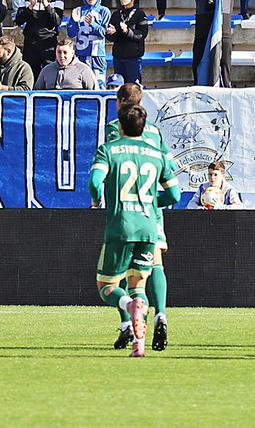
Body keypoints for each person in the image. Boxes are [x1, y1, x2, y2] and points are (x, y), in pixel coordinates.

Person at [89, 103, 180, 357]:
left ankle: (129, 306)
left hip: (121, 226)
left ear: (120, 125)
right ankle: (138, 345)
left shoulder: (109, 150)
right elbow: (174, 194)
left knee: (106, 285)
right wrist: (151, 203)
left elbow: (95, 182)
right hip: (149, 227)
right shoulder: (156, 154)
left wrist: (97, 200)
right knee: (139, 285)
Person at [105, 83, 174, 350]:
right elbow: (170, 165)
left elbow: (112, 163)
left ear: (120, 101)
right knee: (155, 262)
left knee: (118, 271)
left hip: (125, 208)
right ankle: (160, 316)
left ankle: (127, 324)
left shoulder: (115, 128)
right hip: (151, 206)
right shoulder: (154, 130)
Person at [187, 0, 235, 87]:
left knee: (224, 67)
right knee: (198, 65)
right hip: (202, 34)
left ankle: (226, 90)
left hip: (221, 33)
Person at [15, 0, 63, 73]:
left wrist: (46, 4)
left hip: (48, 43)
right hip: (30, 43)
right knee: (30, 75)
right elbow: (18, 20)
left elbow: (57, 21)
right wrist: (31, 6)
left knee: (50, 75)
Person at [62, 0, 111, 81]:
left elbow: (104, 33)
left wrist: (93, 24)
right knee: (80, 83)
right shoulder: (78, 10)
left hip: (97, 55)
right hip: (81, 55)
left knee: (98, 84)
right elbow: (71, 34)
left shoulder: (104, 11)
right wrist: (75, 22)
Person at [107, 0, 150, 86]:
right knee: (119, 88)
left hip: (133, 59)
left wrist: (127, 31)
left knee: (132, 88)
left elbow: (141, 34)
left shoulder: (140, 14)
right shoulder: (116, 15)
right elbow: (110, 37)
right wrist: (111, 33)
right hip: (118, 57)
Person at [35, 34, 100, 90]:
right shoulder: (46, 70)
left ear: (72, 52)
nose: (62, 56)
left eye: (65, 52)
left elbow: (95, 94)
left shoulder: (83, 70)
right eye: (59, 52)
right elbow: (36, 93)